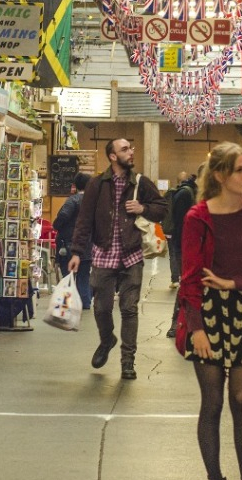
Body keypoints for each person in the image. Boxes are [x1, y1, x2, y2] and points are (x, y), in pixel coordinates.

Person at [175, 142, 242, 480]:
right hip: (206, 314)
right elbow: (189, 277)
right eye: (241, 169)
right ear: (220, 175)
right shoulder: (197, 218)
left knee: (240, 398)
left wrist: (234, 283)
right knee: (213, 402)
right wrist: (197, 328)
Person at [68, 138, 166, 380]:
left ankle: (127, 361)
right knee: (101, 308)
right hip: (103, 255)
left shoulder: (141, 183)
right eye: (125, 149)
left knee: (129, 309)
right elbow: (84, 220)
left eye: (131, 148)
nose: (131, 152)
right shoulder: (96, 185)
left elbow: (162, 208)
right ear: (112, 156)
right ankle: (106, 339)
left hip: (132, 255)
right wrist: (77, 252)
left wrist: (143, 208)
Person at [51, 171, 92, 308]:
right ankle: (85, 303)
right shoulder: (94, 202)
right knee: (84, 276)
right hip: (87, 245)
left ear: (75, 185)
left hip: (68, 244)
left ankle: (67, 304)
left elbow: (63, 215)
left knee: (67, 276)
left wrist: (56, 226)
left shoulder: (72, 200)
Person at [166, 171, 198, 337]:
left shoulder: (190, 193)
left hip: (188, 245)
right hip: (186, 245)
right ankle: (177, 325)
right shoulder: (186, 194)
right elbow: (180, 221)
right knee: (187, 285)